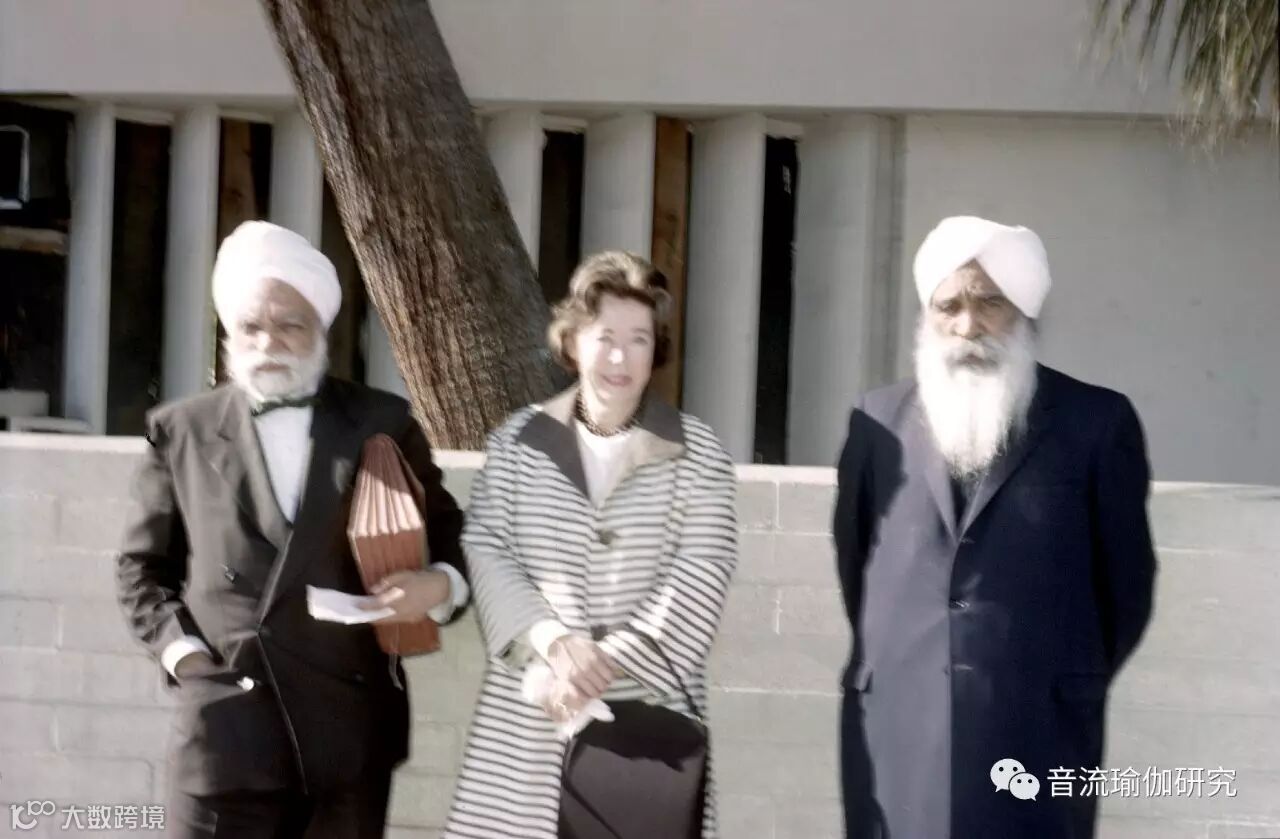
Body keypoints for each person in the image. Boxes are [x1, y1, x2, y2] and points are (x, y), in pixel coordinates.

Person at [115, 221, 469, 839]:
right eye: (251, 326)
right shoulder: (180, 429)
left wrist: (437, 586)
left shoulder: (382, 421)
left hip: (348, 733)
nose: (268, 342)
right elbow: (142, 570)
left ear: (321, 330)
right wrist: (185, 657)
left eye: (289, 325)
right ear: (229, 334)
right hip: (223, 730)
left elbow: (450, 536)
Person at [834, 216, 1157, 839]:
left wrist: (1052, 673)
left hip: (1038, 728)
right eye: (949, 306)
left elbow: (1127, 591)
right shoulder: (875, 423)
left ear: (1025, 312)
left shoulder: (1096, 423)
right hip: (896, 727)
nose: (968, 326)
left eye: (990, 304)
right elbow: (857, 570)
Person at [443, 251, 738, 838]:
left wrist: (598, 666)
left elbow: (702, 574)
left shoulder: (697, 452)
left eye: (639, 340)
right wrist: (553, 644)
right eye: (605, 338)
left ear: (657, 350)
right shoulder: (519, 442)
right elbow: (487, 548)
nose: (620, 358)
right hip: (530, 719)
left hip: (643, 728)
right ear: (573, 342)